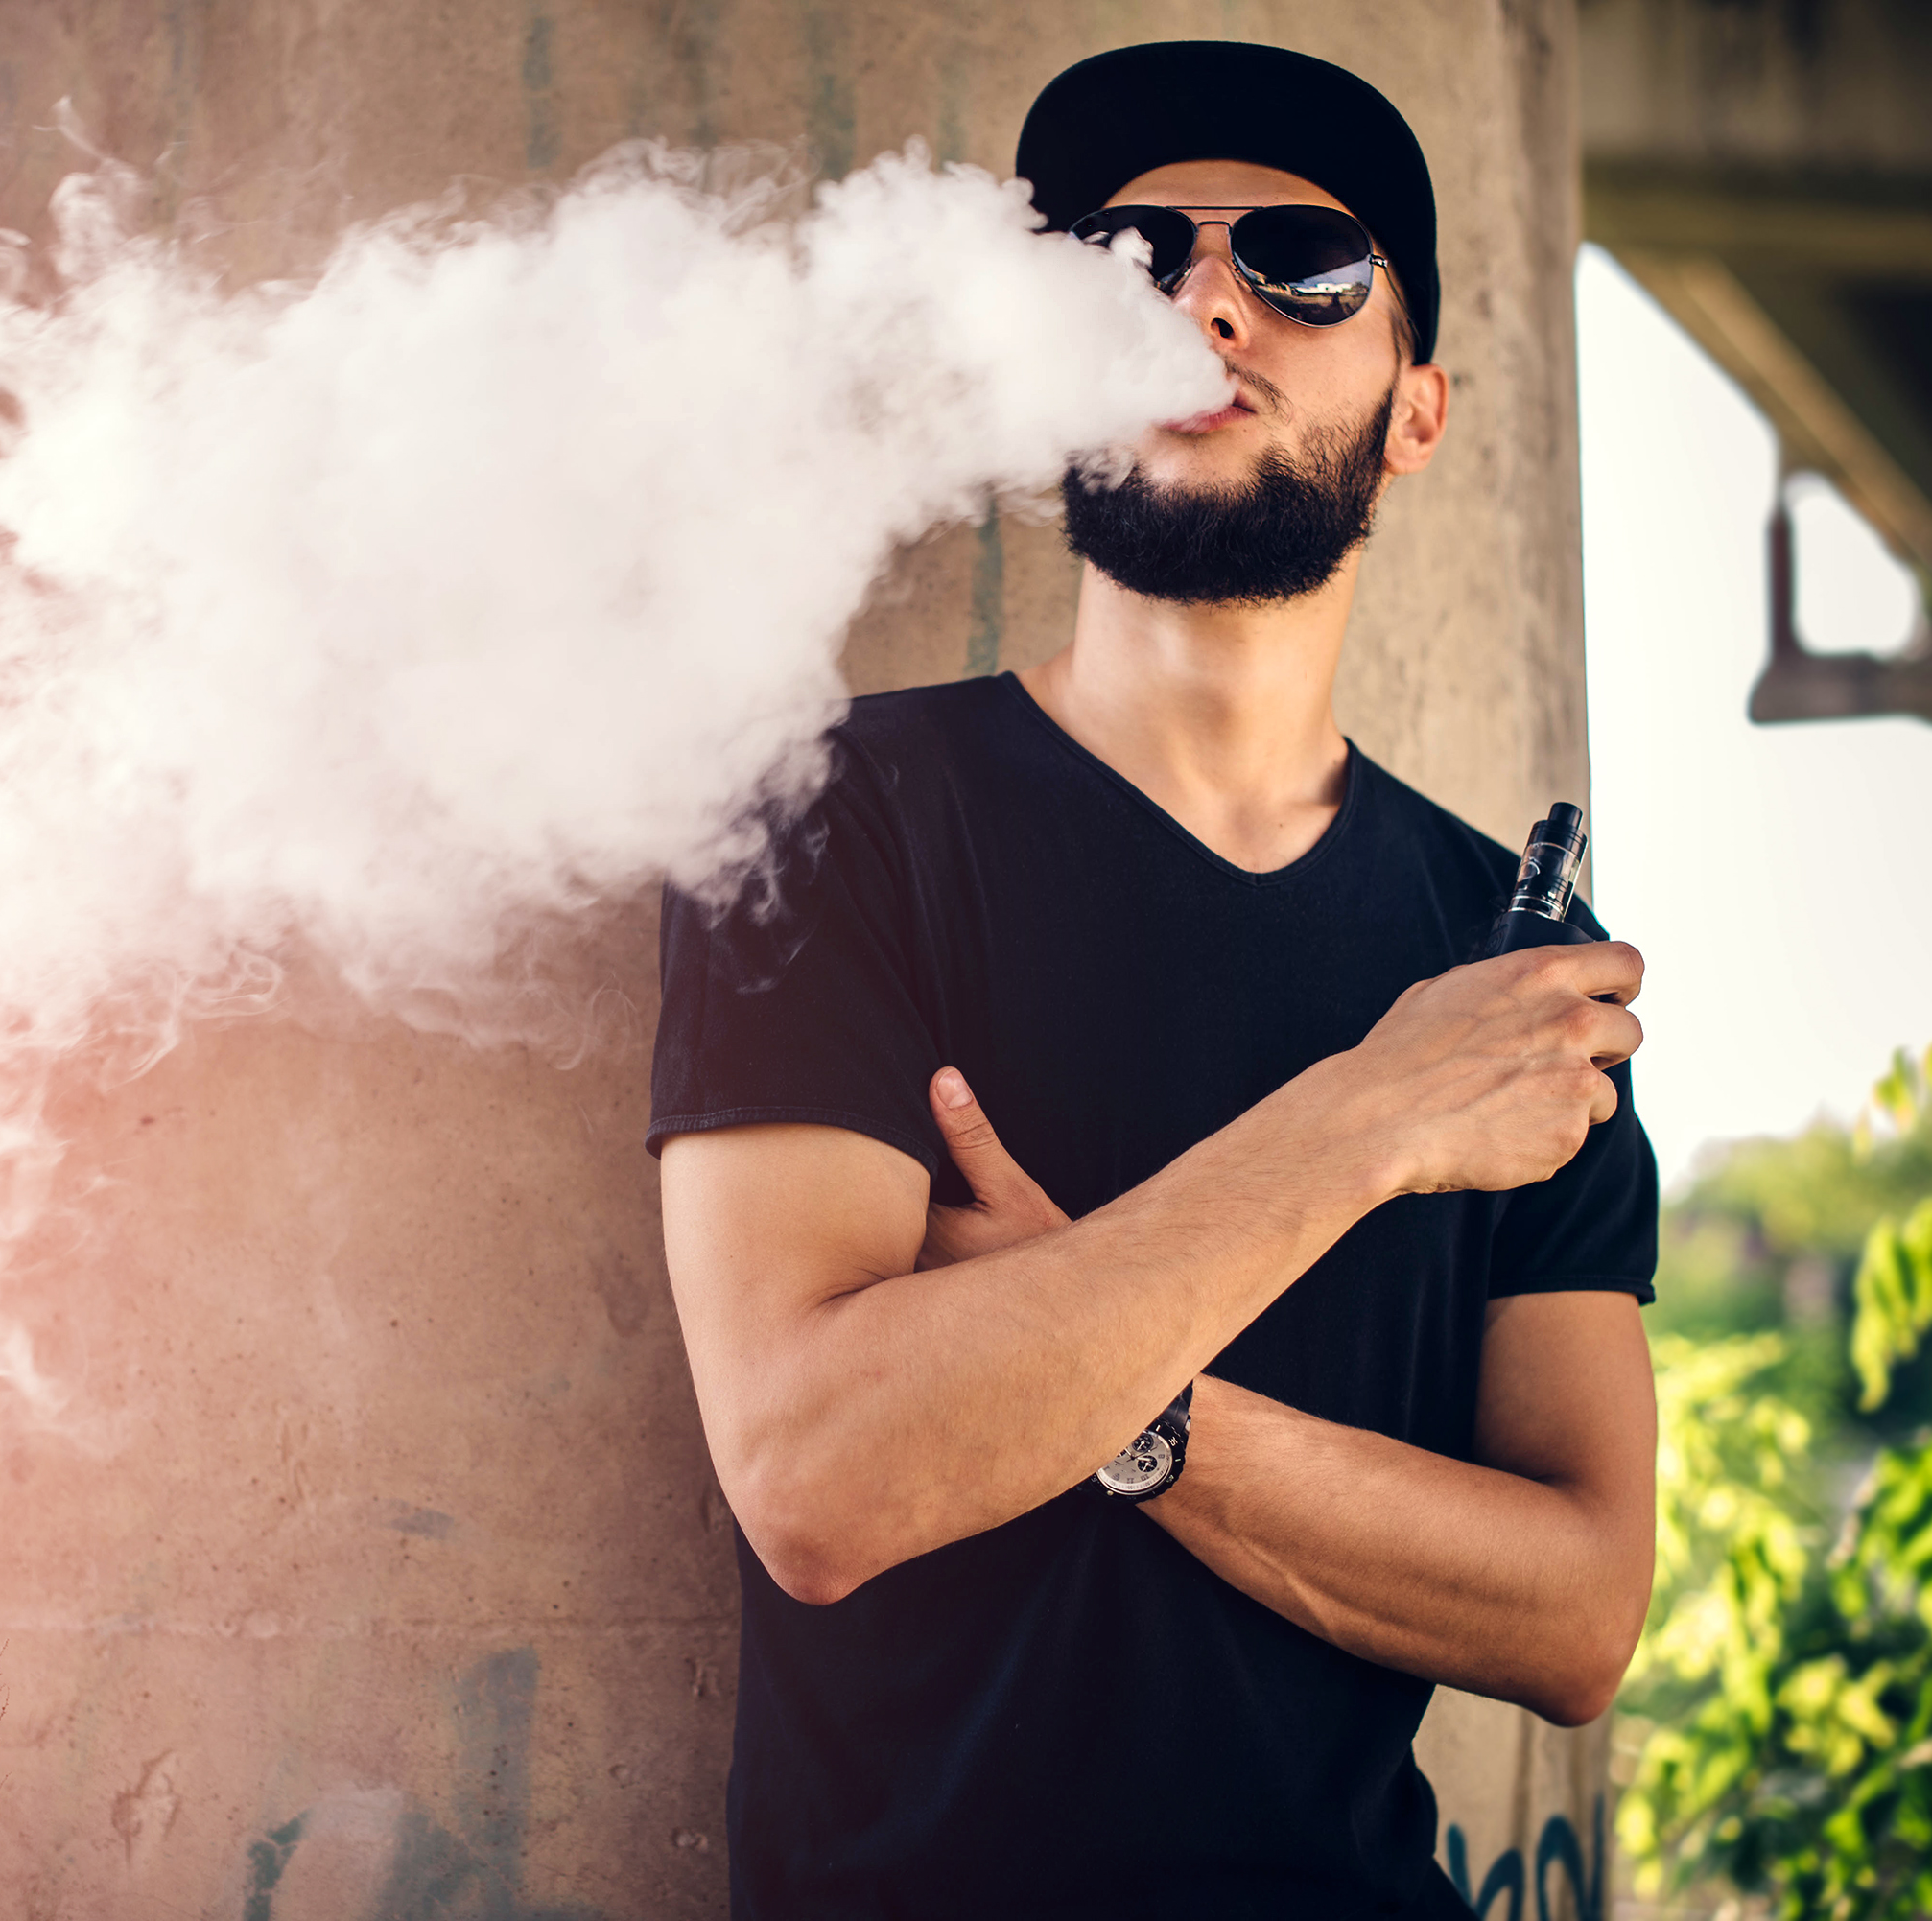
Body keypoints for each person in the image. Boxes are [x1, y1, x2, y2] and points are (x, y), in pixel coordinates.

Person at [646, 40, 1661, 1919]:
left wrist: (1110, 1389)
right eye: (1127, 262)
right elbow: (819, 1476)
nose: (1208, 301)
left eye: (1306, 264)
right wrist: (1371, 1121)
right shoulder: (824, 816)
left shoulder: (1505, 970)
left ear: (1419, 411)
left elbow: (1579, 1615)